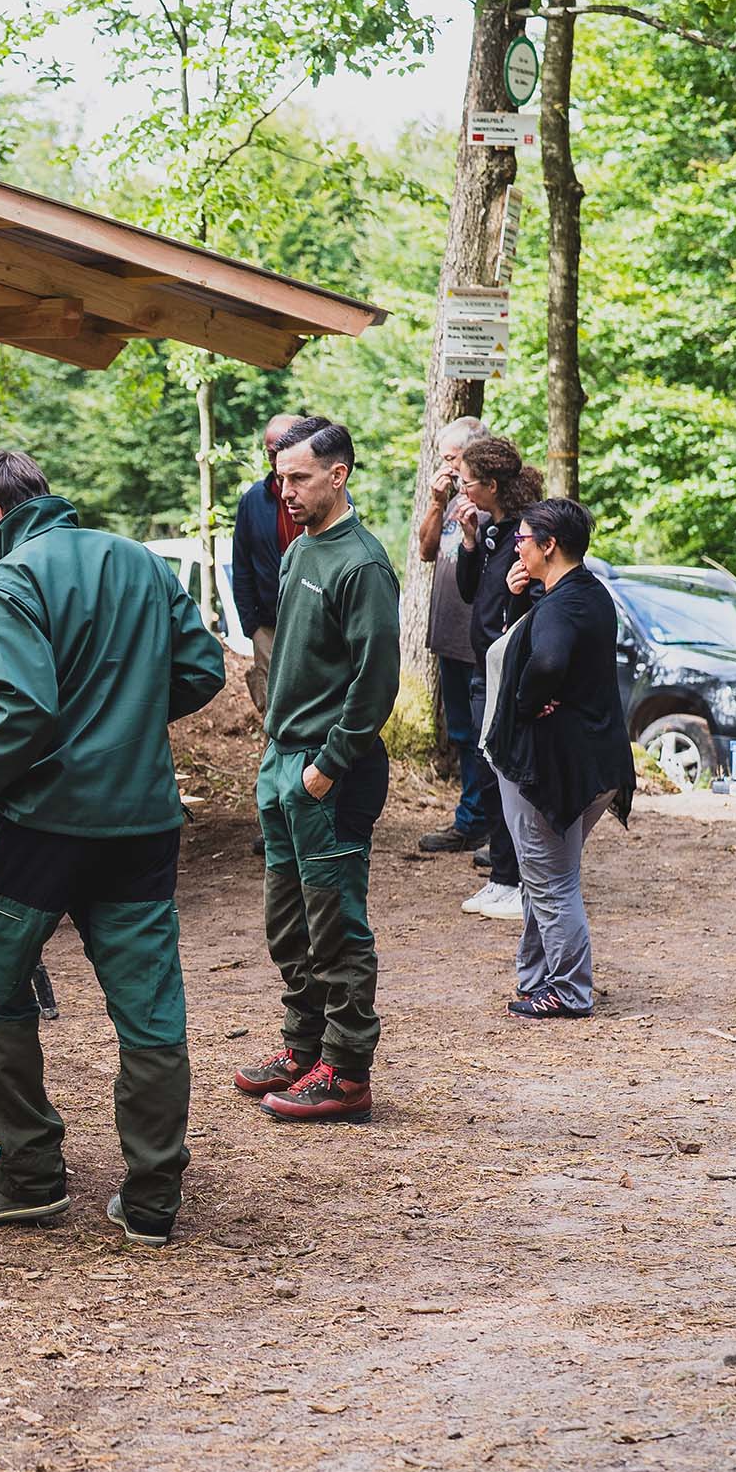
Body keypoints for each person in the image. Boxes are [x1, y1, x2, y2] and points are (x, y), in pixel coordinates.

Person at [0, 451, 226, 1249]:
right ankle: (154, 1195)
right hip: (141, 821)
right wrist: (125, 716)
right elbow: (203, 669)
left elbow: (23, 711)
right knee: (150, 1001)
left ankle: (28, 1175)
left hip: (45, 828)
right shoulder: (136, 561)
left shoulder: (9, 582)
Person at [236, 419, 400, 1124]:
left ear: (338, 475)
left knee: (335, 927)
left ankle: (347, 1070)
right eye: (281, 479)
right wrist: (277, 760)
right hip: (284, 763)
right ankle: (303, 1046)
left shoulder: (360, 563)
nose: (286, 491)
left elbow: (375, 681)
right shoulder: (299, 547)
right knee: (288, 922)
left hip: (330, 773)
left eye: (299, 477)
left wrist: (326, 768)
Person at [481, 498, 635, 1018]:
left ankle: (568, 991)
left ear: (549, 546)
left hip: (556, 765)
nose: (516, 546)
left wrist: (525, 704)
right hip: (592, 760)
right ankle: (538, 978)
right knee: (544, 873)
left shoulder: (565, 604)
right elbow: (526, 645)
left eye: (523, 538)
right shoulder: (581, 594)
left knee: (549, 878)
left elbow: (545, 659)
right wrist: (519, 601)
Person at [451, 437, 543, 922]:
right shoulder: (492, 531)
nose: (462, 489)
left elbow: (532, 601)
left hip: (506, 668)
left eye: (467, 482)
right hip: (480, 664)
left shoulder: (528, 535)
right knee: (488, 775)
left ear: (489, 484)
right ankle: (502, 877)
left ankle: (514, 880)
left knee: (505, 776)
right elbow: (470, 592)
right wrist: (469, 540)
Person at [413, 416, 494, 854]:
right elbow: (426, 551)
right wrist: (435, 501)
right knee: (462, 732)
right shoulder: (447, 500)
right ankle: (472, 818)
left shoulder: (490, 500)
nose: (445, 465)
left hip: (479, 639)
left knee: (484, 733)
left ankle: (484, 823)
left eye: (451, 458)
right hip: (448, 635)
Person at [228, 412, 308, 717]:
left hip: (313, 621)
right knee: (274, 708)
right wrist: (252, 626)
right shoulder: (253, 500)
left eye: (280, 449)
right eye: (269, 451)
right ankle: (275, 761)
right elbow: (242, 566)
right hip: (267, 624)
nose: (274, 458)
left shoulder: (325, 492)